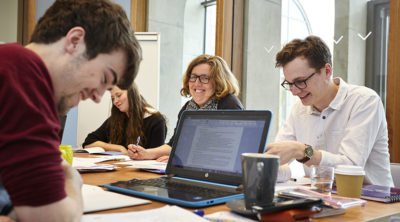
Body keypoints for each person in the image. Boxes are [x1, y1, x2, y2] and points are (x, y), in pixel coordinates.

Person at [0, 0, 141, 221]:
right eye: (104, 78)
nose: (96, 97)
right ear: (75, 41)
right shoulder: (23, 72)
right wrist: (73, 181)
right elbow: (54, 218)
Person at [265, 36, 393, 186]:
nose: (294, 91)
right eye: (290, 83)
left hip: (372, 201)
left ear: (327, 71)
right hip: (322, 197)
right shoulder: (299, 109)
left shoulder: (364, 101)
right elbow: (280, 158)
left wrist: (303, 151)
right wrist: (263, 167)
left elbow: (350, 167)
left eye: (300, 82)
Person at [127, 54, 243, 161]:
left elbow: (227, 151)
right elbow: (175, 144)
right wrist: (146, 154)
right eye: (193, 77)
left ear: (218, 81)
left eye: (204, 78)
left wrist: (181, 160)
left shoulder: (229, 104)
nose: (197, 83)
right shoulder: (188, 107)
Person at [82, 84, 167, 152]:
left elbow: (156, 157)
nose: (115, 101)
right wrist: (119, 148)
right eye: (113, 98)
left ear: (132, 93)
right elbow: (88, 142)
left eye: (118, 95)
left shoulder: (156, 121)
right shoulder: (116, 119)